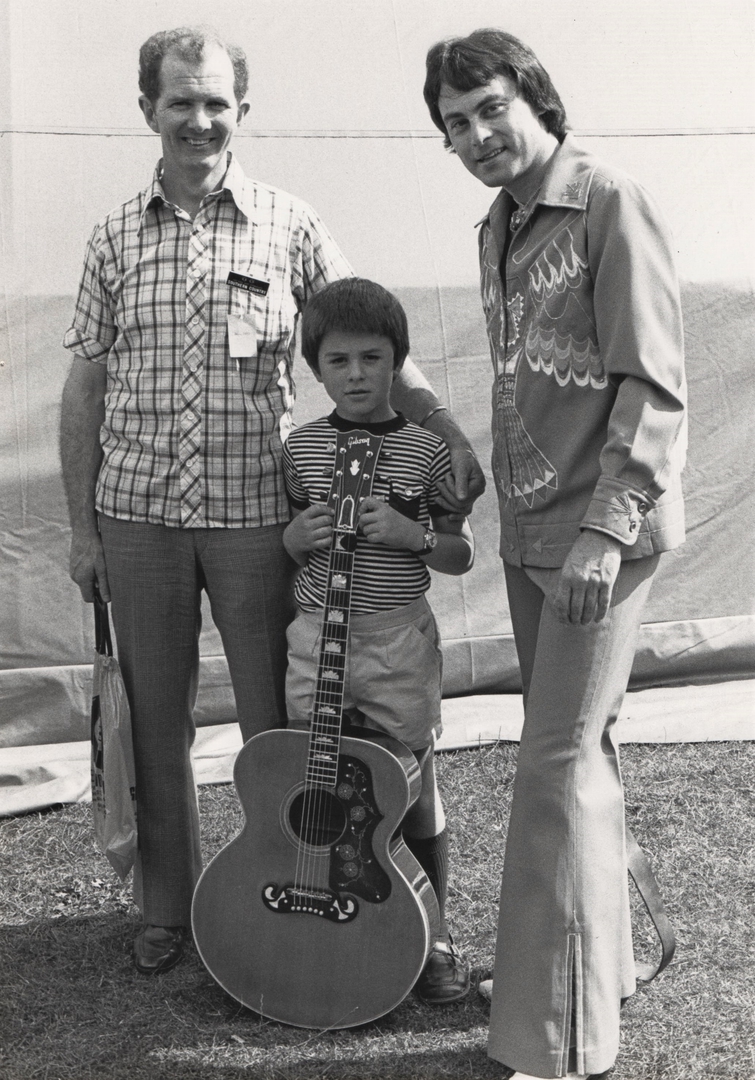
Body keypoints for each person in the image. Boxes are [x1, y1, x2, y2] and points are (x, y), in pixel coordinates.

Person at [60, 25, 484, 977]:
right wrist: (84, 531)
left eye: (217, 102)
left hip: (263, 522)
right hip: (137, 518)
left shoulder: (289, 224)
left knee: (285, 727)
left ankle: (301, 897)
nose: (199, 119)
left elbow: (371, 334)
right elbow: (84, 387)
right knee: (155, 722)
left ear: (241, 111)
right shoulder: (112, 236)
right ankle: (167, 909)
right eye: (181, 101)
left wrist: (445, 429)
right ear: (147, 110)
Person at [423, 28, 686, 1079]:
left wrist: (603, 532)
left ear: (534, 97)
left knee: (553, 765)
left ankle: (557, 1039)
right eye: (454, 124)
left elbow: (652, 385)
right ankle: (597, 967)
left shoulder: (607, 201)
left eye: (490, 107)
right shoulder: (497, 225)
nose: (476, 134)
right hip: (531, 535)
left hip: (595, 537)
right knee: (581, 751)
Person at [282, 277, 475, 1003]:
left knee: (410, 785)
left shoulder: (426, 453)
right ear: (315, 368)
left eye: (372, 358)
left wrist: (409, 534)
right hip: (317, 640)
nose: (357, 374)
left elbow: (459, 554)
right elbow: (289, 544)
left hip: (396, 641)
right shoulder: (301, 448)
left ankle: (432, 931)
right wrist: (293, 538)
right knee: (323, 779)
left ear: (397, 360)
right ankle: (347, 916)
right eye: (338, 361)